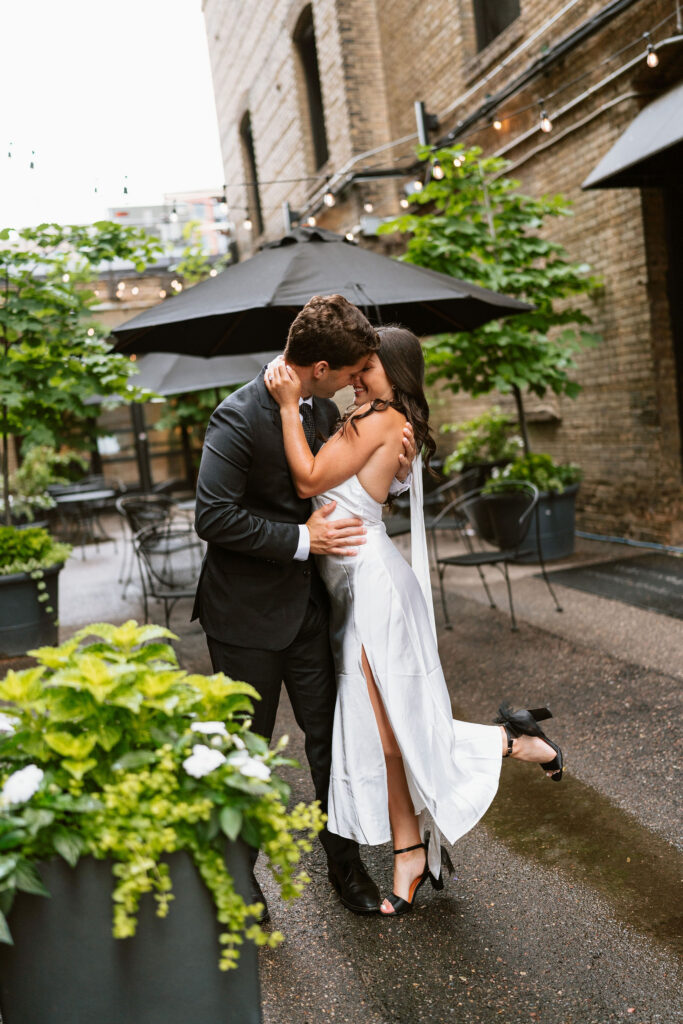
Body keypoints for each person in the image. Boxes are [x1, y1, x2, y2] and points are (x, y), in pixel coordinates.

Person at [265, 324, 564, 916]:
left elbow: (307, 479)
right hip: (354, 583)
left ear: (391, 371)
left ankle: (511, 740)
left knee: (390, 730)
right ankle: (409, 851)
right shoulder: (377, 418)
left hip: (372, 585)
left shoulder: (377, 417)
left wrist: (286, 408)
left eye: (366, 367)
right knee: (385, 736)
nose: (355, 374)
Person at [192, 295, 415, 921]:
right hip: (245, 618)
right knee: (249, 749)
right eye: (348, 375)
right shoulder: (235, 417)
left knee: (333, 743)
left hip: (314, 612)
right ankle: (239, 882)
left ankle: (344, 868)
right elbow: (212, 516)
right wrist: (301, 539)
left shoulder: (317, 408)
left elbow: (335, 481)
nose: (355, 385)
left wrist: (393, 472)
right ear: (319, 366)